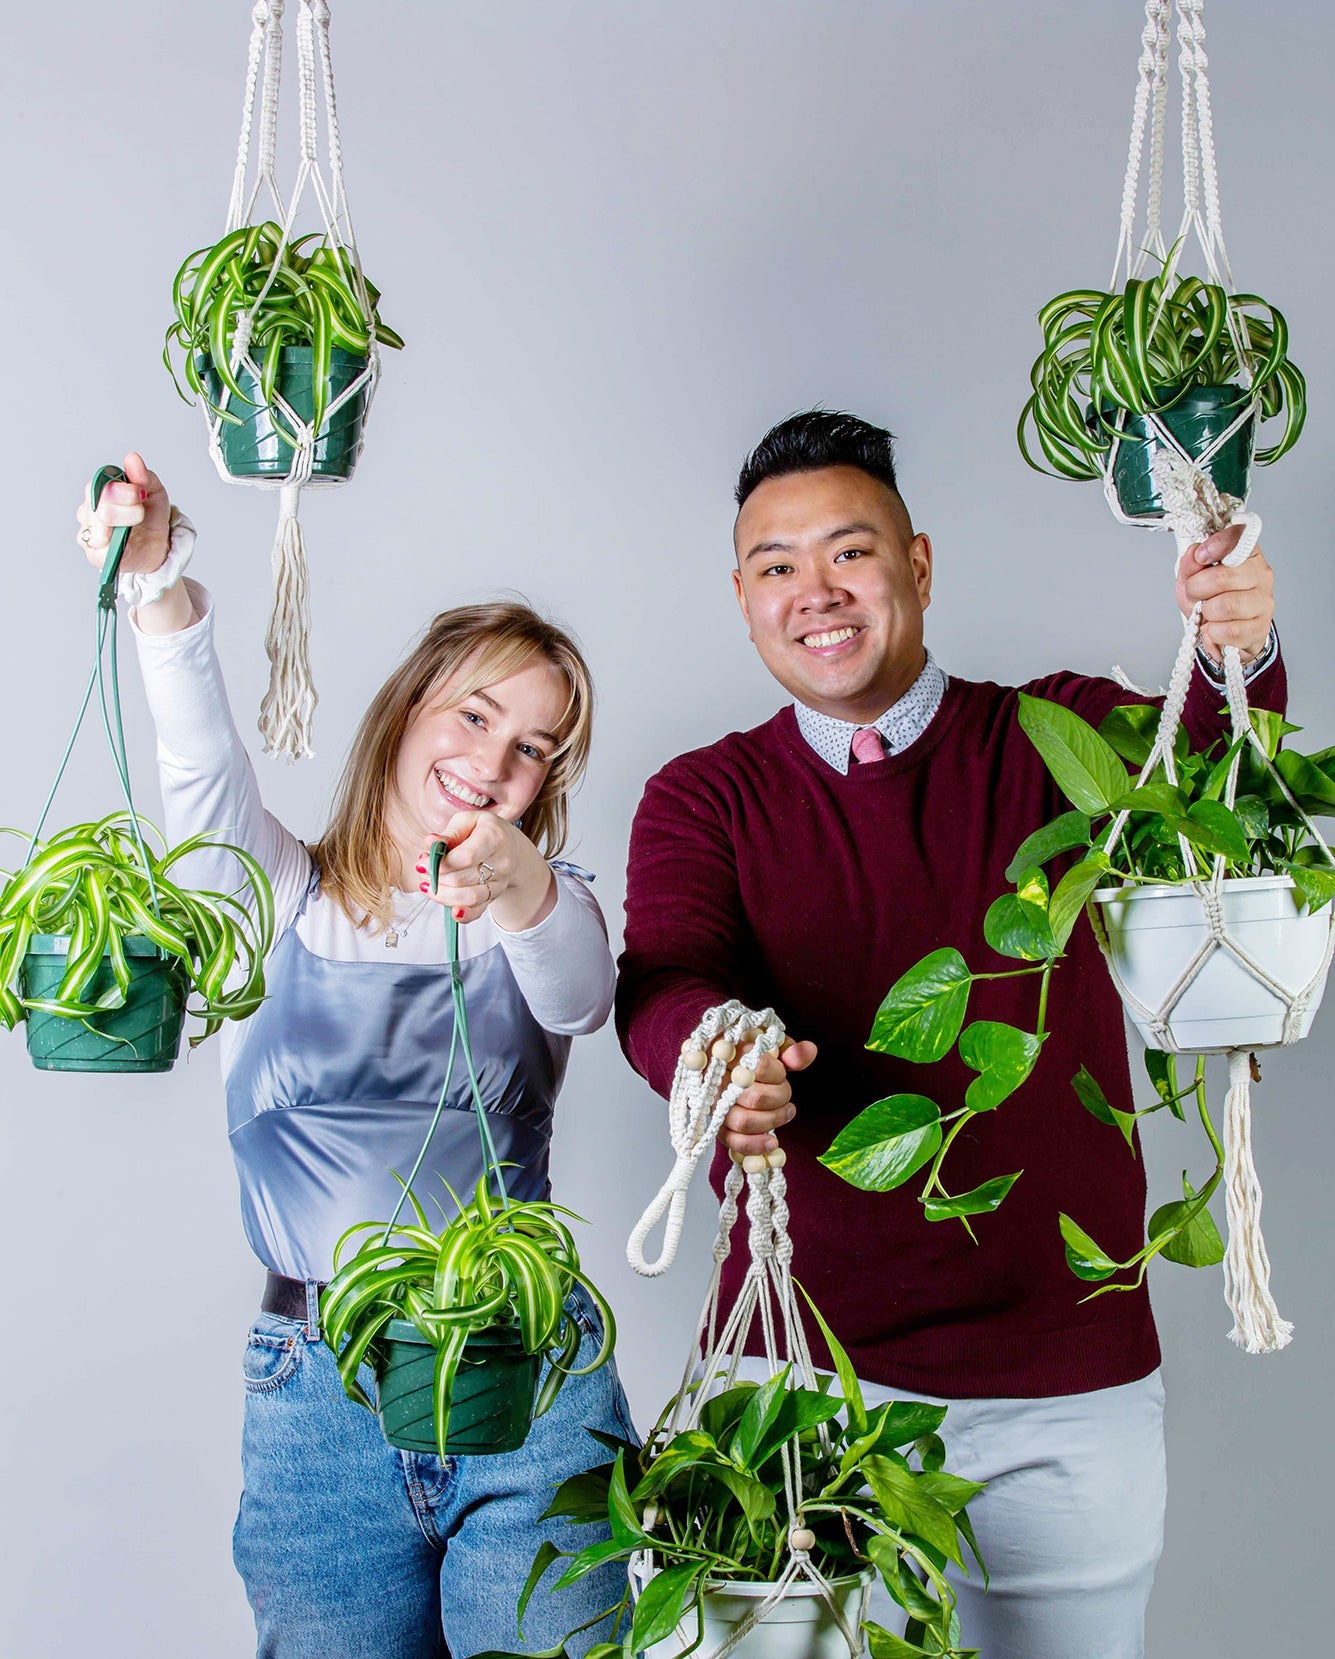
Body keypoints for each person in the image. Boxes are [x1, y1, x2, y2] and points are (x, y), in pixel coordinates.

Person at [615, 410, 1284, 1659]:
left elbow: (1208, 766)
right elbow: (663, 978)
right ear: (744, 599)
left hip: (1063, 1379)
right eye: (776, 566)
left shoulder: (1054, 737)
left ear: (917, 567)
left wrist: (1239, 646)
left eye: (850, 552)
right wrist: (716, 1054)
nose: (816, 592)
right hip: (796, 1373)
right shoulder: (705, 796)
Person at [77, 453, 635, 1659]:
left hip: (527, 1373)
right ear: (407, 709)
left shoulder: (551, 910)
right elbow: (199, 762)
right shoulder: (273, 896)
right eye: (474, 715)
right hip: (318, 1391)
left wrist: (516, 880)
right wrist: (157, 583)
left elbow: (582, 995)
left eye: (534, 748)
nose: (494, 761)